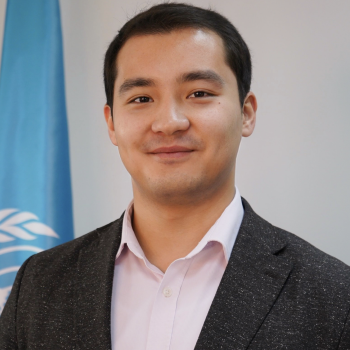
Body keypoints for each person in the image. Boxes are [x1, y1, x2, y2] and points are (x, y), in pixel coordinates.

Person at [1, 3, 350, 349]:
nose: (168, 122)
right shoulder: (40, 282)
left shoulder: (334, 297)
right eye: (141, 98)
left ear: (246, 113)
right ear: (111, 123)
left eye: (199, 93)